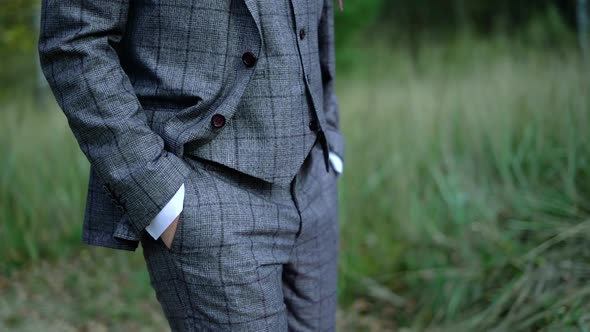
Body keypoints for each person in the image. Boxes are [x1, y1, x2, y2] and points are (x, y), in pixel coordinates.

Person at [38, 0, 345, 331]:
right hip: (203, 191)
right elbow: (73, 39)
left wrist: (331, 140)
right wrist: (161, 198)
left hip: (313, 178)